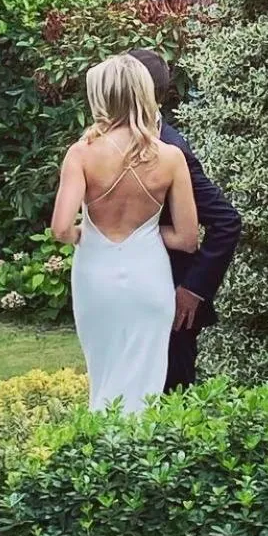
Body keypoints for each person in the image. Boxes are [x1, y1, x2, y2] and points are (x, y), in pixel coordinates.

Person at [51, 54, 199, 414]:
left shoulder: (81, 154)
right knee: (147, 384)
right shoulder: (170, 157)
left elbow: (59, 229)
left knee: (104, 378)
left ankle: (103, 456)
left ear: (102, 97)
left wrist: (82, 234)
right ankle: (139, 459)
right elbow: (187, 239)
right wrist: (147, 235)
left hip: (96, 275)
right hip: (149, 276)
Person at [128, 48, 242, 391]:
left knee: (169, 396)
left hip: (171, 299)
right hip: (132, 290)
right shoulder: (119, 143)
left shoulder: (171, 148)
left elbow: (226, 222)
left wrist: (193, 289)